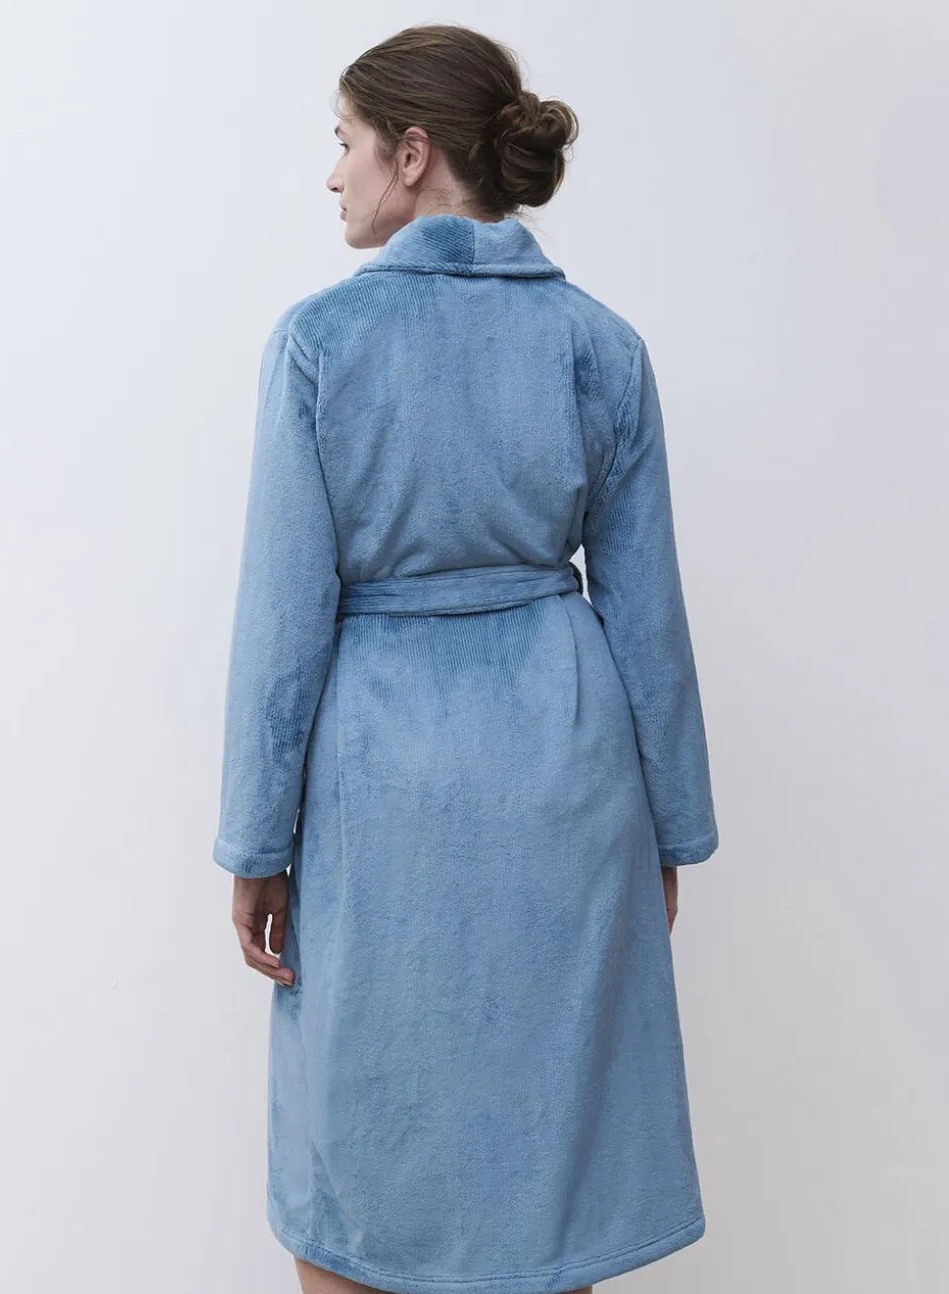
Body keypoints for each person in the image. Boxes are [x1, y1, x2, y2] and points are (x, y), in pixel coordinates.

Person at [212, 22, 719, 1294]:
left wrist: (255, 842)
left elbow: (281, 621)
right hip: (568, 776)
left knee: (355, 1168)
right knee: (550, 1178)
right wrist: (670, 827)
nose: (331, 172)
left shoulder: (320, 343)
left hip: (379, 787)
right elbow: (647, 619)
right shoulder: (601, 345)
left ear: (413, 152)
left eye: (343, 141)